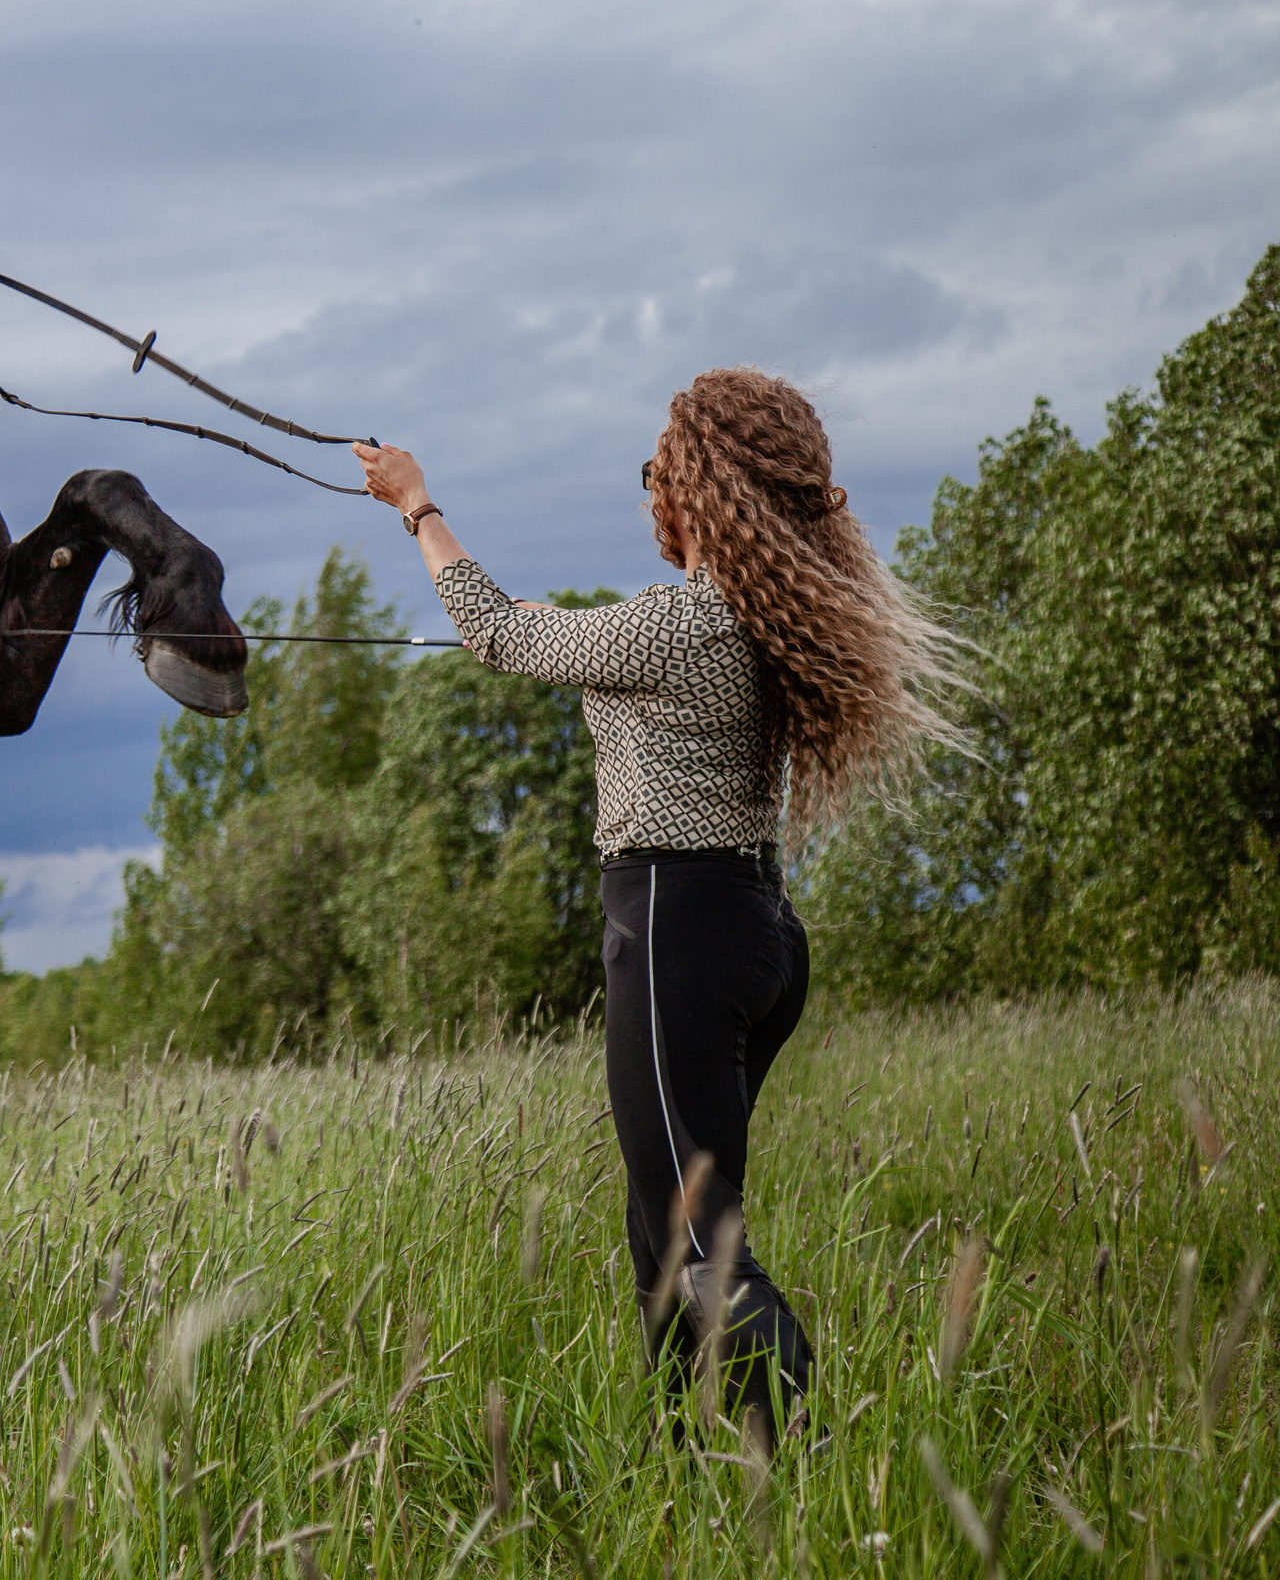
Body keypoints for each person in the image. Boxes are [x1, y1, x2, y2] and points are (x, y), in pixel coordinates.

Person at [354, 368, 965, 1445]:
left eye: (656, 472)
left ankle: (813, 1458)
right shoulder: (746, 618)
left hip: (674, 927)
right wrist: (555, 629)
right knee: (660, 1233)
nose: (646, 495)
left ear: (697, 487)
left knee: (696, 1244)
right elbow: (568, 641)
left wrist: (418, 505)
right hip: (751, 926)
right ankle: (687, 1463)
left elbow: (499, 635)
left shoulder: (682, 625)